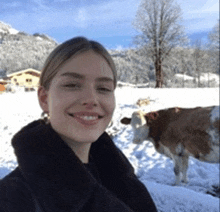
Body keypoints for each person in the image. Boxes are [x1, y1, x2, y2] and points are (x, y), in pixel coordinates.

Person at [0, 37, 157, 212]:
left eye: (104, 88)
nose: (91, 99)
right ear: (44, 99)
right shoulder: (13, 198)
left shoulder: (120, 179)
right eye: (72, 85)